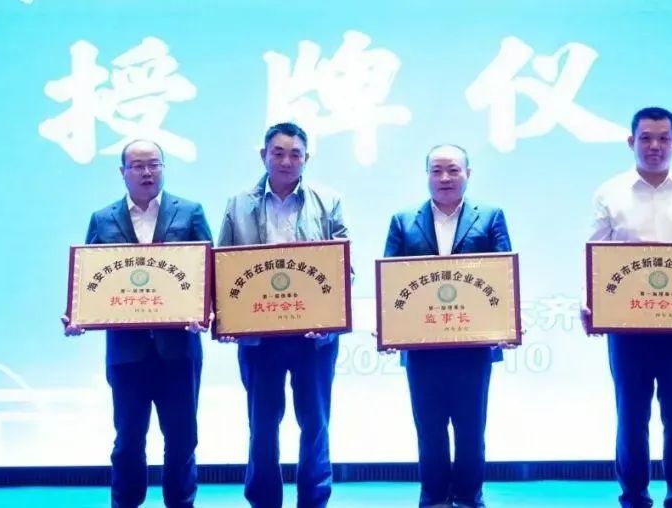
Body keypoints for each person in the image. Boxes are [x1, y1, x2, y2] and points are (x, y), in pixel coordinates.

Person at [582, 107, 672, 508]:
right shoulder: (609, 193)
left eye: (663, 138)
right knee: (631, 414)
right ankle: (634, 494)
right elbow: (594, 255)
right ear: (631, 142)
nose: (655, 145)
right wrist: (589, 303)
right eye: (646, 137)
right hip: (627, 326)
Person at [63, 139, 212, 508]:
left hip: (179, 349)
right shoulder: (102, 219)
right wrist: (78, 315)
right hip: (127, 352)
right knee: (128, 440)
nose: (147, 172)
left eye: (154, 164)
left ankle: (181, 503)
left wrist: (208, 310)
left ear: (163, 167)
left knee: (182, 438)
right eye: (138, 165)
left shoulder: (190, 212)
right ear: (123, 172)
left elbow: (211, 273)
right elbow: (90, 280)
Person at [217, 122, 350, 508]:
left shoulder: (329, 201)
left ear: (307, 158)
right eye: (278, 153)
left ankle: (314, 500)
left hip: (314, 338)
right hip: (259, 336)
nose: (287, 161)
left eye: (295, 154)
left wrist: (329, 317)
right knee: (261, 426)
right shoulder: (238, 204)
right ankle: (263, 501)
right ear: (264, 155)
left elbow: (343, 267)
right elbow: (222, 267)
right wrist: (226, 317)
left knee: (315, 423)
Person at [383, 144, 512, 508]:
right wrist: (389, 325)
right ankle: (434, 498)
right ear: (426, 175)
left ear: (468, 174)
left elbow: (503, 275)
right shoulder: (403, 220)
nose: (444, 178)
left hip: (473, 347)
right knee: (429, 429)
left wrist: (507, 324)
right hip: (422, 348)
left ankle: (470, 497)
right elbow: (390, 280)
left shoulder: (490, 216)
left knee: (471, 429)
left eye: (453, 170)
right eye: (436, 170)